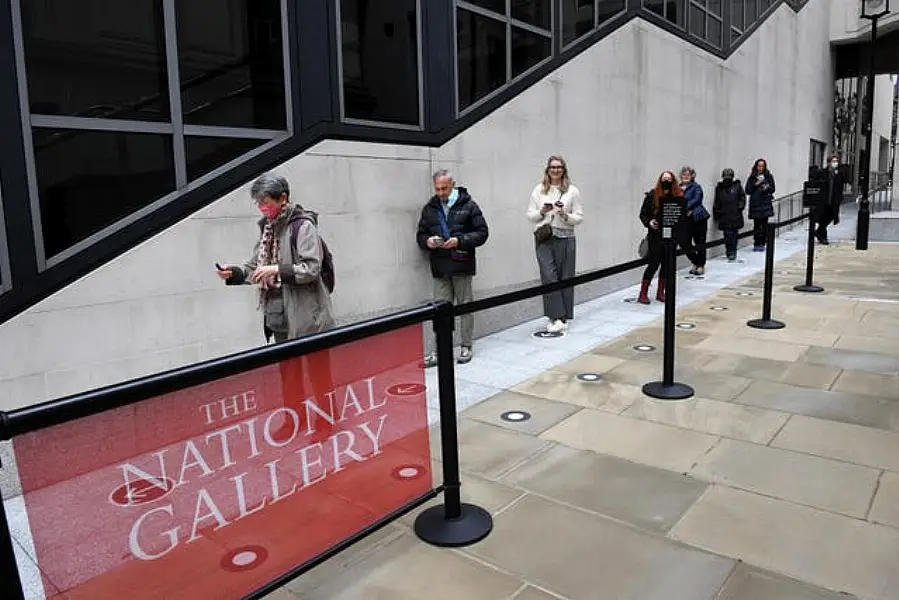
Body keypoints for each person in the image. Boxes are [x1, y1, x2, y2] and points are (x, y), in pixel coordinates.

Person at [216, 172, 335, 439]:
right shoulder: (267, 228)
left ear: (283, 199)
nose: (262, 208)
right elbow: (253, 267)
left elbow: (311, 268)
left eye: (266, 202)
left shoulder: (302, 226)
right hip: (277, 312)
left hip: (307, 313)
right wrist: (233, 273)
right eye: (258, 203)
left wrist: (274, 270)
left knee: (318, 372)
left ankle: (325, 422)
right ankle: (294, 420)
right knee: (289, 373)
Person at [416, 170, 489, 367]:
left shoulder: (469, 205)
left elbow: (482, 233)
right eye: (437, 188)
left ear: (453, 184)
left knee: (465, 306)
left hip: (461, 264)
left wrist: (459, 240)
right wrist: (428, 241)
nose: (441, 192)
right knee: (440, 310)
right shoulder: (430, 208)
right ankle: (441, 350)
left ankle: (466, 345)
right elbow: (420, 235)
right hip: (440, 266)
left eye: (444, 188)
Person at [526, 155, 584, 333]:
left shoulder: (572, 191)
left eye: (559, 167)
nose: (555, 170)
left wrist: (566, 215)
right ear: (547, 170)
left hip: (566, 237)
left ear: (564, 170)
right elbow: (530, 215)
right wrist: (543, 211)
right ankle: (556, 316)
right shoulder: (539, 190)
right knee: (549, 277)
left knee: (565, 277)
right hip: (544, 237)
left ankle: (562, 317)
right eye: (552, 167)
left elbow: (579, 216)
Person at [638, 171, 689, 305]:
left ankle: (661, 292)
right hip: (655, 235)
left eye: (669, 179)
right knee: (653, 264)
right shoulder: (652, 195)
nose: (667, 181)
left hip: (671, 235)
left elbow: (682, 215)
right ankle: (643, 293)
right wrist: (649, 222)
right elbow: (643, 214)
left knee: (667, 265)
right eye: (664, 179)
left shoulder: (678, 196)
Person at [680, 165, 710, 275]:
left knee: (700, 242)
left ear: (692, 176)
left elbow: (697, 199)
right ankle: (696, 261)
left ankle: (701, 265)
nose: (685, 176)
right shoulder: (678, 188)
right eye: (684, 174)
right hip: (685, 220)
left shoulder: (696, 187)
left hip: (699, 218)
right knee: (684, 243)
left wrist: (685, 207)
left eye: (688, 174)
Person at [712, 168, 746, 262]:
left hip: (735, 214)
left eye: (729, 176)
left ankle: (733, 251)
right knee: (727, 235)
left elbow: (742, 197)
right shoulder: (719, 188)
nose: (727, 178)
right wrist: (717, 213)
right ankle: (729, 251)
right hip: (725, 214)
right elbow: (717, 201)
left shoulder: (737, 186)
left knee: (734, 234)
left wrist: (740, 207)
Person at [746, 158, 775, 251]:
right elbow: (748, 190)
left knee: (764, 224)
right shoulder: (752, 177)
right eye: (759, 165)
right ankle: (757, 243)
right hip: (755, 204)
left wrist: (766, 187)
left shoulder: (769, 176)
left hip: (765, 203)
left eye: (762, 166)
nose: (760, 168)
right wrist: (756, 183)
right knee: (757, 225)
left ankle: (763, 243)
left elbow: (773, 189)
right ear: (756, 166)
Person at [814, 154, 844, 245]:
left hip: (834, 200)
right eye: (833, 161)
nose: (835, 163)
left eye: (836, 161)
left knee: (830, 217)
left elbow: (840, 187)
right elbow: (815, 184)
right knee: (823, 218)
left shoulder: (839, 174)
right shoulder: (822, 173)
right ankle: (823, 237)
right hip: (824, 200)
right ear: (829, 163)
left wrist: (840, 198)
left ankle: (818, 232)